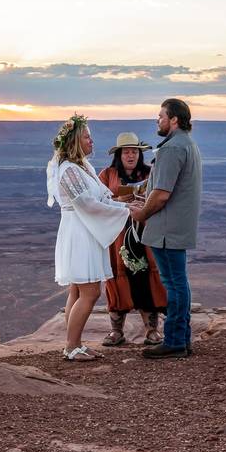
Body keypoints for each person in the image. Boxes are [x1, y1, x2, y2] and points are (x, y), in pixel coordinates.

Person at [46, 114, 129, 361]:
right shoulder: (68, 170)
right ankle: (71, 347)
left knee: (77, 291)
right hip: (79, 233)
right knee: (90, 292)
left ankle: (75, 344)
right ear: (74, 141)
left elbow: (101, 196)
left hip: (85, 231)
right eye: (86, 136)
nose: (91, 141)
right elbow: (86, 203)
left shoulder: (83, 167)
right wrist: (124, 212)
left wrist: (122, 202)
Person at [129, 98, 203, 359]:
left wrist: (141, 213)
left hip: (167, 228)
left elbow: (161, 195)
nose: (157, 120)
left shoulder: (172, 149)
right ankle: (182, 339)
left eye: (161, 116)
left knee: (174, 284)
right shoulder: (187, 144)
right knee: (179, 283)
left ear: (174, 119)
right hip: (175, 226)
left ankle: (174, 341)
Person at [97, 132, 168, 346]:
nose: (131, 155)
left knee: (146, 278)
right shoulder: (107, 174)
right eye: (127, 152)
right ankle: (116, 331)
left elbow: (160, 197)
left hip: (145, 234)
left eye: (135, 152)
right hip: (118, 237)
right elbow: (98, 202)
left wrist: (142, 199)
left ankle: (151, 330)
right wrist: (119, 200)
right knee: (117, 279)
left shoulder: (150, 173)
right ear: (119, 155)